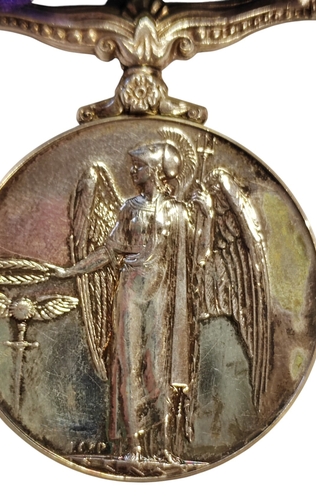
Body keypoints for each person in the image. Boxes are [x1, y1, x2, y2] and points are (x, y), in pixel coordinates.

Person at [53, 139, 211, 463]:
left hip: (163, 297)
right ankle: (134, 446)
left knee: (159, 366)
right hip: (130, 293)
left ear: (155, 170)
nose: (132, 171)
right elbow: (109, 251)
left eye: (138, 166)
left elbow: (200, 257)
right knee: (128, 364)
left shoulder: (178, 212)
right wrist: (71, 270)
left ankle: (164, 446)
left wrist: (207, 215)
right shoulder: (129, 209)